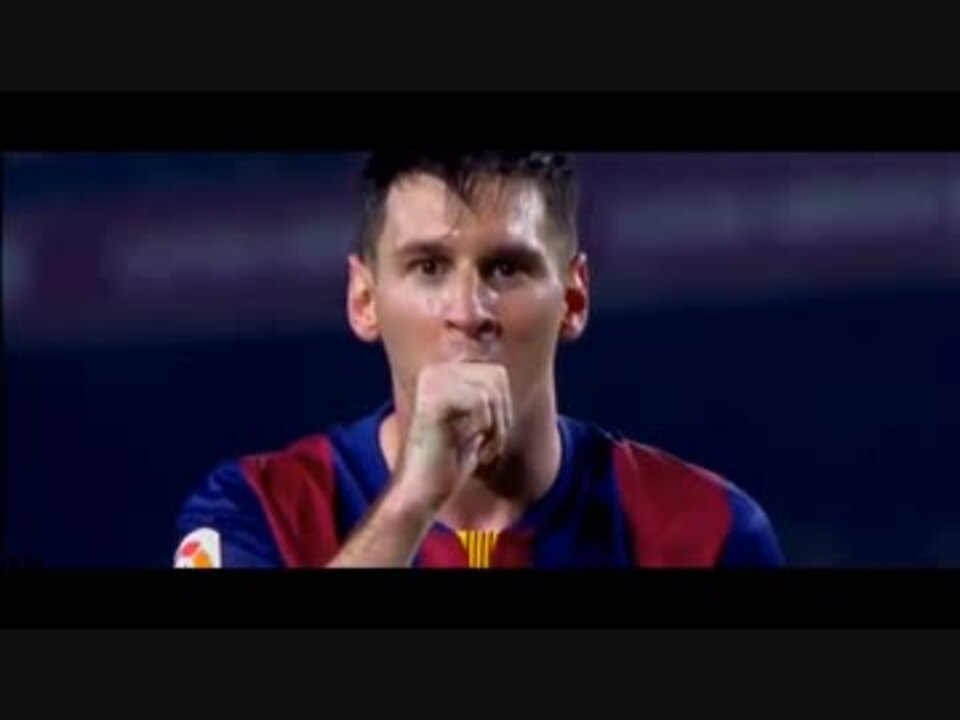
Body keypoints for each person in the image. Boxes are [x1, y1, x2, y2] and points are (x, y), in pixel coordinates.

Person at [173, 151, 785, 569]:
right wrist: (413, 501)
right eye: (428, 267)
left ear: (573, 300)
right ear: (364, 300)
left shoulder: (707, 531)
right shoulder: (256, 509)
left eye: (506, 269)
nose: (468, 311)